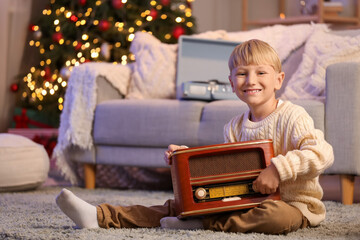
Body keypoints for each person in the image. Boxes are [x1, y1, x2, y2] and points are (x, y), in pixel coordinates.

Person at [56, 39, 334, 234]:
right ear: (232, 83)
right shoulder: (233, 126)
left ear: (278, 79)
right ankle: (101, 217)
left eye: (261, 72)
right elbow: (230, 171)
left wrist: (278, 168)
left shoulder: (293, 116)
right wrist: (188, 158)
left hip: (293, 206)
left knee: (275, 217)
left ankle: (203, 224)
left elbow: (322, 153)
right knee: (180, 205)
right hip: (242, 202)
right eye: (242, 74)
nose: (251, 80)